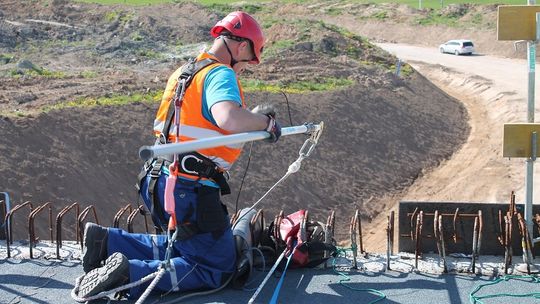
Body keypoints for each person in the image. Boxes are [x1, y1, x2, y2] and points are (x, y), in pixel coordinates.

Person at [76, 11, 281, 299]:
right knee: (216, 266)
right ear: (240, 46)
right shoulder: (220, 73)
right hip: (190, 188)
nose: (244, 68)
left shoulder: (187, 70)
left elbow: (201, 122)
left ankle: (106, 243)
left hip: (159, 178)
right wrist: (267, 124)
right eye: (247, 61)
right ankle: (129, 274)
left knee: (186, 246)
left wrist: (252, 119)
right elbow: (228, 118)